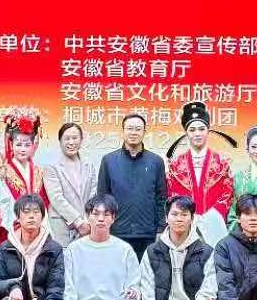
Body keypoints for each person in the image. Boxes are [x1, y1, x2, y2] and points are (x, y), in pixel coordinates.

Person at [96, 112, 168, 259]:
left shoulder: (156, 161)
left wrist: (161, 229)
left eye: (138, 129)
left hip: (148, 234)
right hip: (117, 233)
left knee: (148, 272)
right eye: (130, 128)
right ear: (123, 131)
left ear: (144, 132)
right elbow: (102, 198)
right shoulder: (108, 160)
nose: (133, 133)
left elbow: (161, 198)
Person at [165, 101, 236, 240]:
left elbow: (228, 194)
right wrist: (186, 216)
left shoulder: (222, 163)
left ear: (208, 130)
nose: (197, 134)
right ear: (186, 133)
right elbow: (171, 196)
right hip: (184, 226)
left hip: (215, 226)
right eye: (192, 130)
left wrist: (211, 217)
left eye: (201, 129)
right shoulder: (175, 166)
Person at [0, 105, 50, 243]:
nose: (22, 149)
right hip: (10, 231)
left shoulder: (39, 172)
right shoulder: (2, 172)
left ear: (33, 145)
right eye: (18, 144)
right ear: (11, 144)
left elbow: (45, 203)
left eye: (27, 145)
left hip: (37, 229)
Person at [41, 121, 97, 246]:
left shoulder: (89, 164)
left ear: (81, 140)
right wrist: (78, 222)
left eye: (75, 138)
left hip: (87, 226)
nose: (71, 142)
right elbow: (56, 198)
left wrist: (87, 220)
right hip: (62, 226)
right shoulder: (51, 166)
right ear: (60, 141)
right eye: (67, 139)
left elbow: (93, 194)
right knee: (64, 256)